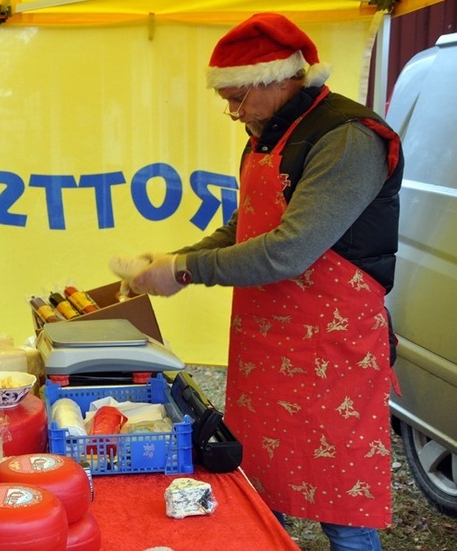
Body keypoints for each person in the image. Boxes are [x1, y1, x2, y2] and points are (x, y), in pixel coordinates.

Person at [126, 13, 402, 551]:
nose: (233, 112)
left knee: (342, 508)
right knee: (255, 491)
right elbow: (246, 224)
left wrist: (185, 271)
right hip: (267, 346)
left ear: (277, 78)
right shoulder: (266, 133)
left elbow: (288, 250)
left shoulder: (346, 140)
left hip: (332, 350)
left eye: (237, 98)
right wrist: (180, 255)